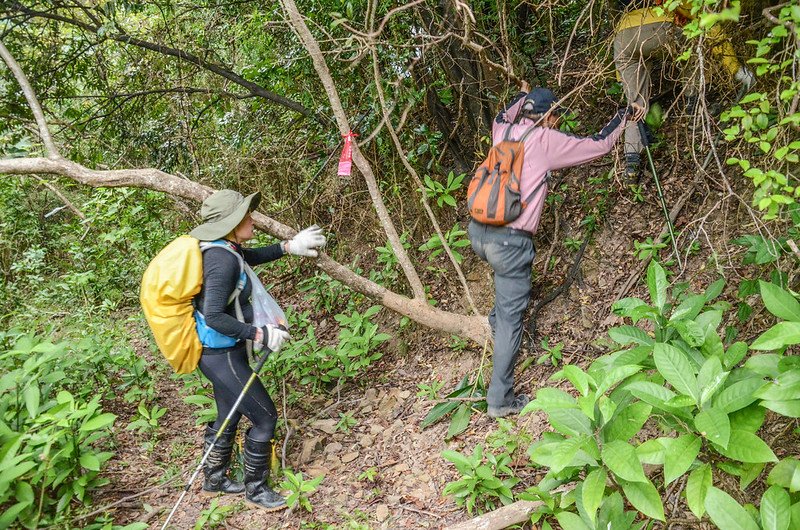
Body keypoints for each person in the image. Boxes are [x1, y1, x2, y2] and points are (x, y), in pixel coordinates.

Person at [469, 84, 633, 419]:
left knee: (504, 309)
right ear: (549, 117)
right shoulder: (545, 141)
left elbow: (506, 111)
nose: (558, 123)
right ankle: (500, 400)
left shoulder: (502, 129)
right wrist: (625, 116)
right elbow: (599, 144)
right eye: (556, 117)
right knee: (512, 320)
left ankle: (497, 320)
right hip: (510, 244)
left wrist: (520, 95)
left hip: (479, 234)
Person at [189, 189, 325, 511]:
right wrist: (259, 333)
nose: (251, 219)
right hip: (221, 354)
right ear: (230, 224)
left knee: (228, 414)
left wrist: (288, 247)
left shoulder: (226, 249)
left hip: (222, 351)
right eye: (244, 216)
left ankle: (215, 479)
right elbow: (215, 315)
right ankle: (256, 489)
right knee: (265, 419)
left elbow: (247, 258)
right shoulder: (220, 259)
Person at [613, 0, 754, 180]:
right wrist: (736, 70)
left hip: (623, 36)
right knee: (695, 46)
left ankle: (632, 163)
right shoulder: (685, 4)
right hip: (658, 27)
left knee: (635, 102)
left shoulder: (631, 11)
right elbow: (709, 25)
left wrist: (626, 81)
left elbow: (623, 72)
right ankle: (693, 111)